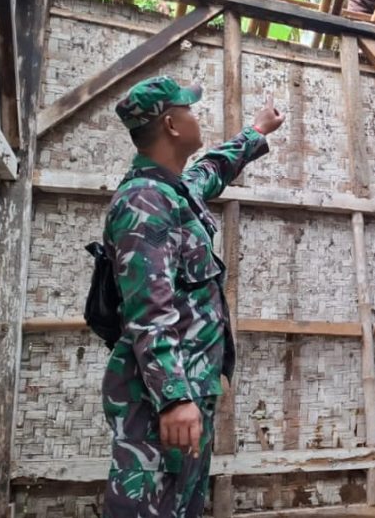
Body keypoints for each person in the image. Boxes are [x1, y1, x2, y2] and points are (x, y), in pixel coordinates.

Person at [101, 75, 285, 517]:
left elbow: (210, 171)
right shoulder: (144, 201)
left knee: (183, 506)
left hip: (190, 387)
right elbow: (149, 311)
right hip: (161, 397)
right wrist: (174, 397)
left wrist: (255, 132)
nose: (197, 116)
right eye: (191, 109)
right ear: (171, 124)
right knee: (149, 507)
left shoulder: (174, 192)